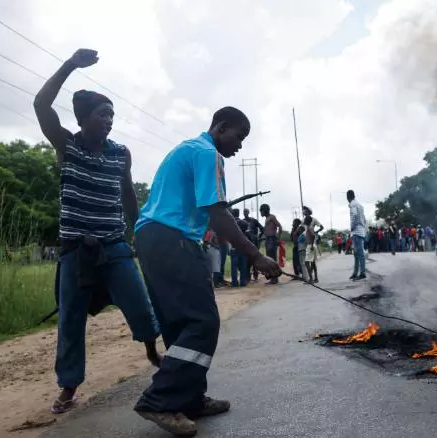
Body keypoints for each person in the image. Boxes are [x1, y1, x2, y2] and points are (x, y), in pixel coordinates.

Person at [133, 107, 281, 435]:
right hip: (174, 239)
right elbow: (216, 212)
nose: (240, 145)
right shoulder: (208, 154)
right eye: (238, 137)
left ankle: (188, 399)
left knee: (181, 324)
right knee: (203, 322)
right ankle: (159, 400)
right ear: (221, 127)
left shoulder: (187, 149)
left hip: (151, 238)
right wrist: (256, 256)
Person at [33, 48, 162, 415]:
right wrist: (70, 65)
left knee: (139, 304)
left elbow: (126, 193)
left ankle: (153, 351)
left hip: (114, 245)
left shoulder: (121, 153)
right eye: (103, 114)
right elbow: (41, 104)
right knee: (70, 318)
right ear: (83, 118)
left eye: (111, 115)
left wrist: (138, 232)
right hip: (75, 249)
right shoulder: (67, 145)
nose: (109, 120)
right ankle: (69, 385)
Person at [260, 204, 282, 285]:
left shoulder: (272, 217)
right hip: (268, 240)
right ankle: (273, 278)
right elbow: (267, 231)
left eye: (261, 211)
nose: (260, 213)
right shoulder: (267, 219)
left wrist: (278, 239)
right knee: (269, 260)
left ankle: (275, 279)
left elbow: (280, 227)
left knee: (272, 260)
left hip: (272, 240)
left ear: (265, 210)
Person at [347, 190, 367, 280]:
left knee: (359, 253)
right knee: (356, 253)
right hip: (361, 230)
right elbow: (364, 219)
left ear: (348, 197)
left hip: (356, 231)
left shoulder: (353, 204)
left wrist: (352, 227)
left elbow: (354, 216)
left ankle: (362, 273)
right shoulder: (360, 205)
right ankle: (355, 273)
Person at [243, 208, 264, 281]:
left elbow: (262, 229)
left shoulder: (254, 221)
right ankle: (248, 276)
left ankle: (256, 275)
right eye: (244, 212)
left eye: (246, 212)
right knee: (247, 259)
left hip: (255, 242)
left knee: (255, 258)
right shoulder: (242, 221)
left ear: (248, 212)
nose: (245, 213)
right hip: (246, 243)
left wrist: (258, 237)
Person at [230, 209, 249, 287]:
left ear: (232, 214)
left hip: (234, 246)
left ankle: (234, 282)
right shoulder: (244, 223)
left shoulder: (230, 223)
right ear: (239, 213)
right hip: (242, 246)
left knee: (234, 266)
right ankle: (243, 282)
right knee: (243, 265)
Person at [303, 217, 319, 283]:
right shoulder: (310, 227)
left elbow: (313, 236)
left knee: (306, 263)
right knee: (313, 263)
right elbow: (312, 236)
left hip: (310, 246)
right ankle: (316, 278)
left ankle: (311, 279)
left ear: (306, 221)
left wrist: (311, 245)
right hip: (312, 245)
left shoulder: (309, 228)